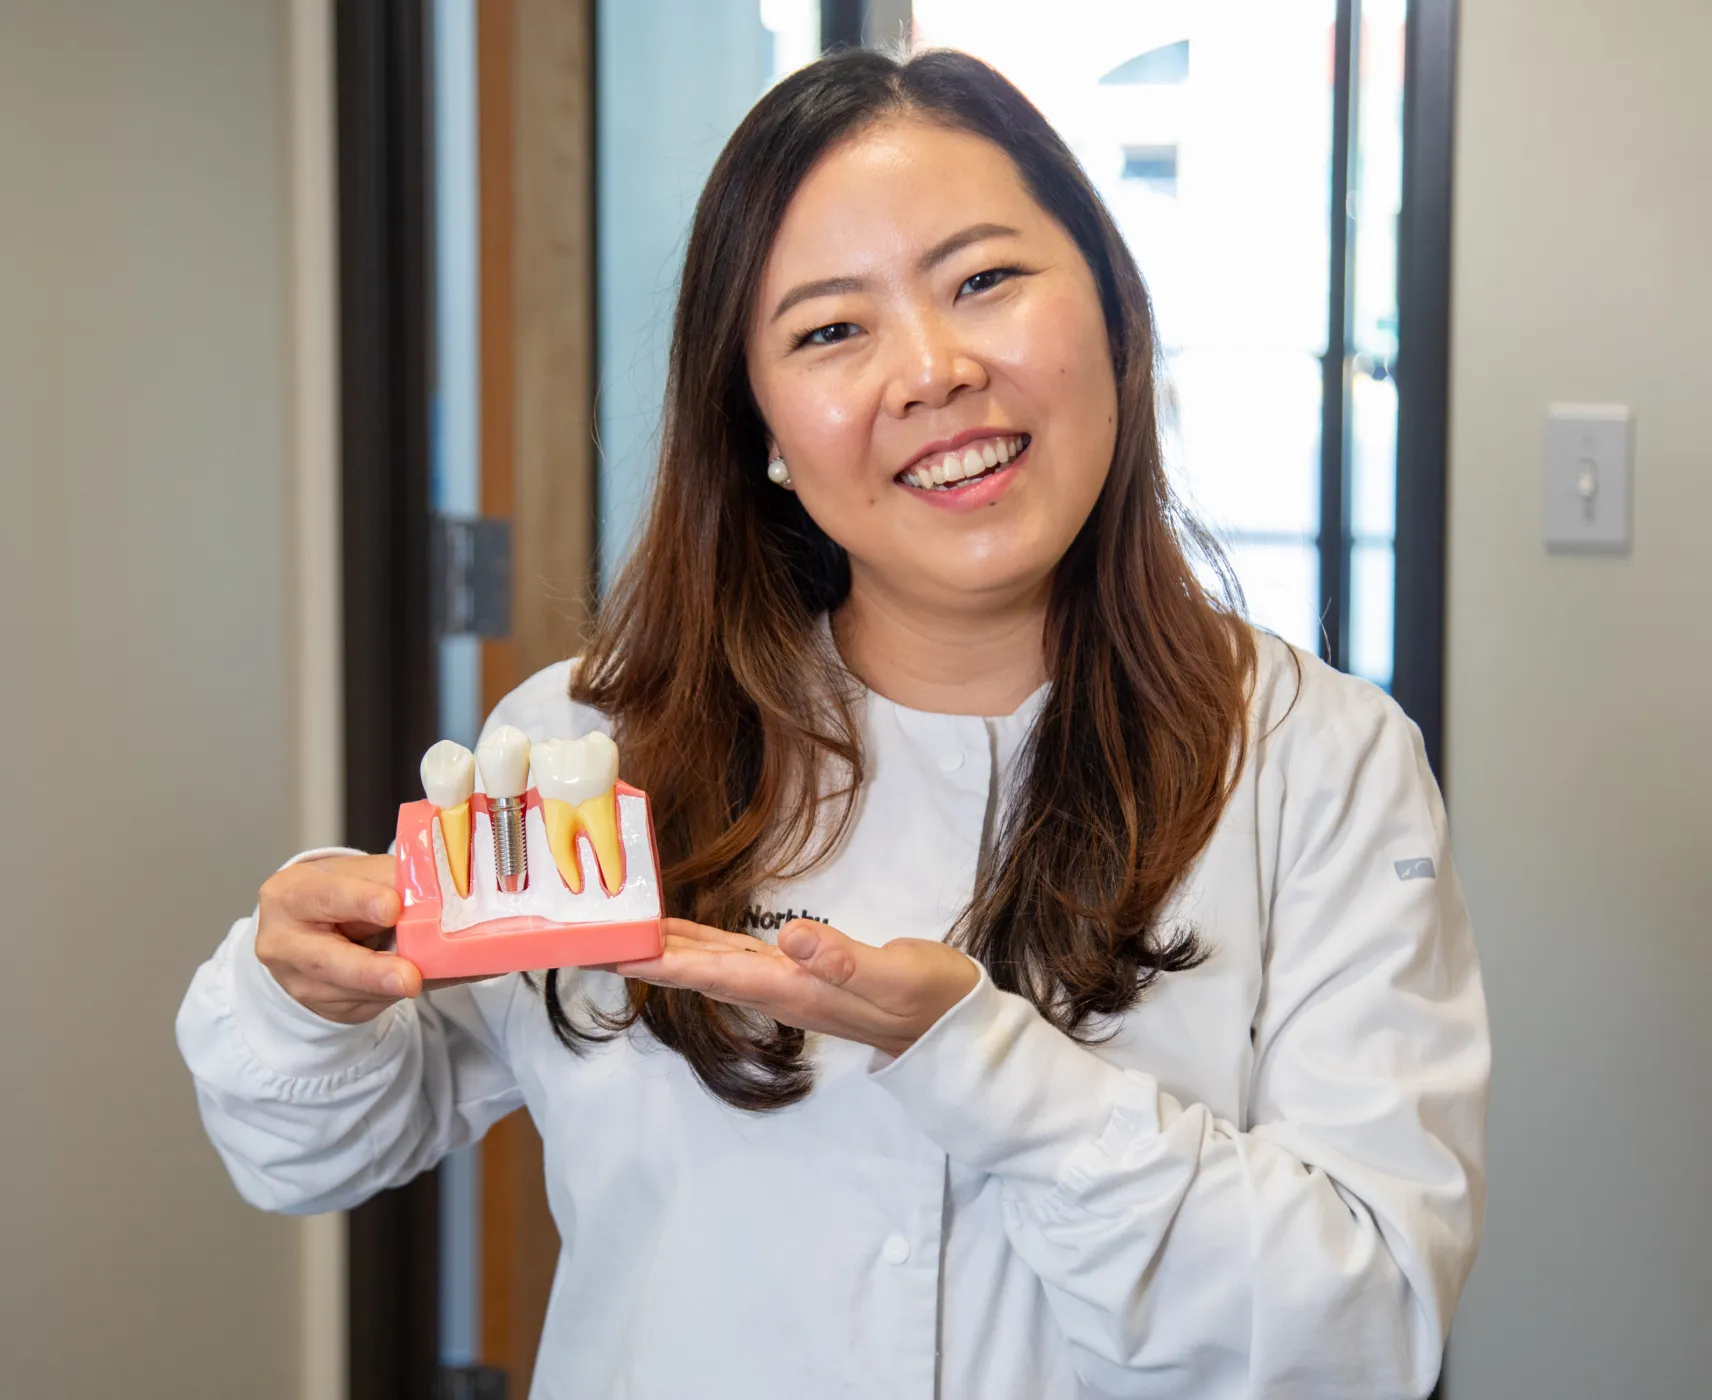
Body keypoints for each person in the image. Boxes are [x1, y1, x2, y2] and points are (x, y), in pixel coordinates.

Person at [178, 47, 1488, 1400]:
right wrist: (307, 1001)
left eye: (982, 280)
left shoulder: (1318, 760)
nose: (930, 370)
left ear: (1109, 309)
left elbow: (1361, 1337)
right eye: (828, 330)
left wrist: (979, 1066)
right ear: (756, 426)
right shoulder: (587, 747)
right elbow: (309, 1155)